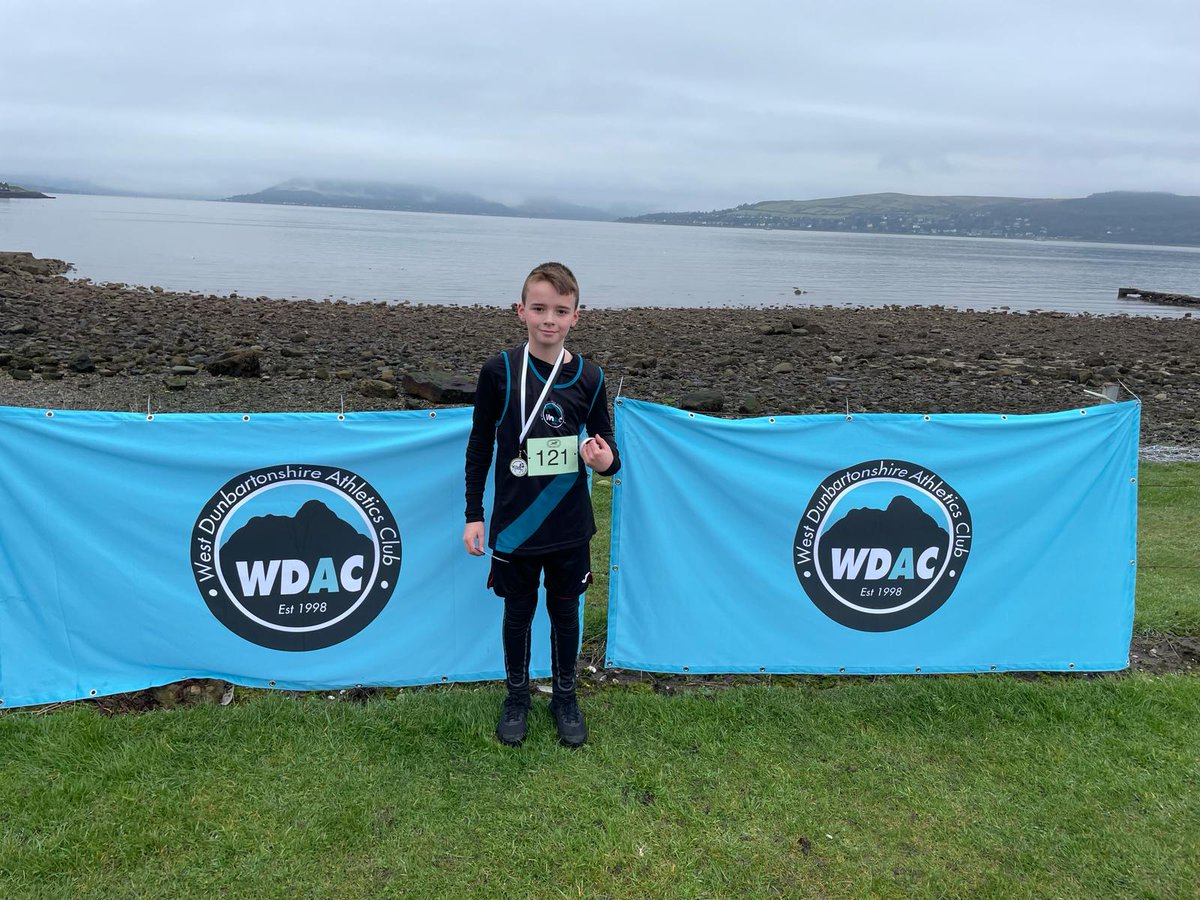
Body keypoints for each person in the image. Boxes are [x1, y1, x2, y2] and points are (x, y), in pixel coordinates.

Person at [463, 262, 620, 747]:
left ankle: (566, 697)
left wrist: (603, 461)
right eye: (539, 308)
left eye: (560, 310)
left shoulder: (589, 377)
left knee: (566, 610)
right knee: (518, 611)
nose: (548, 319)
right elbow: (479, 445)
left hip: (570, 524)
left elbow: (608, 451)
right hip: (514, 525)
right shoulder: (499, 371)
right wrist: (474, 513)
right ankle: (517, 697)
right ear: (521, 311)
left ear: (576, 316)